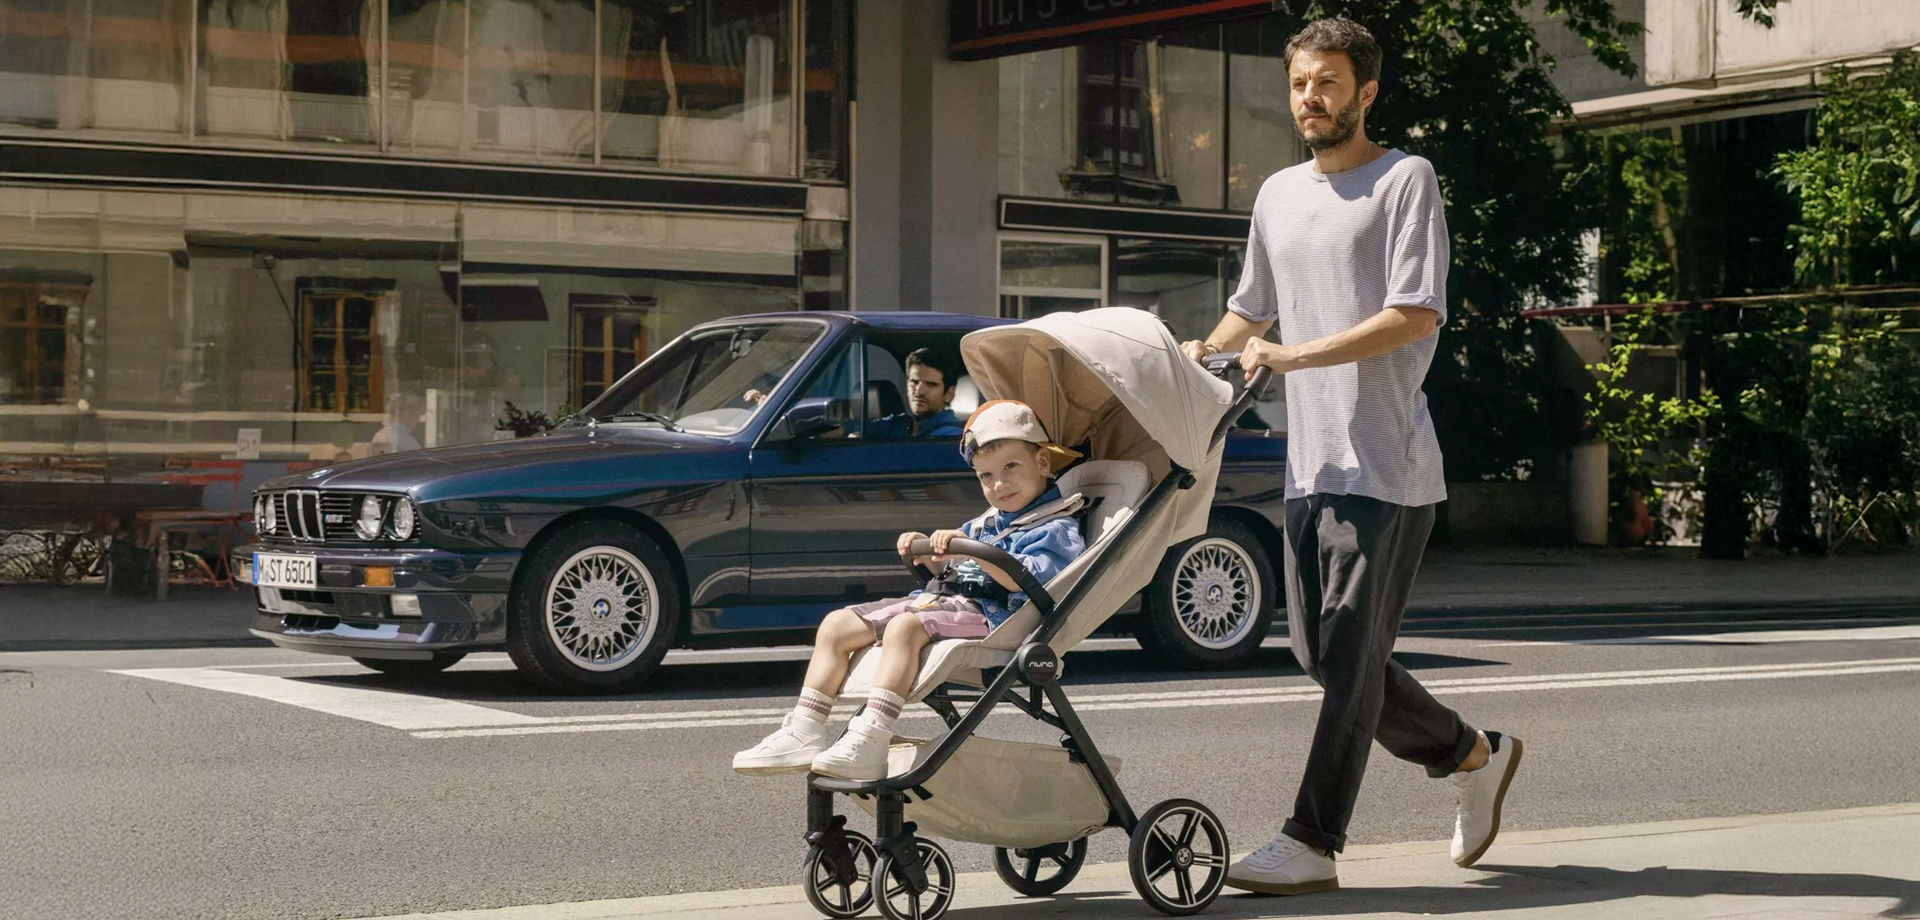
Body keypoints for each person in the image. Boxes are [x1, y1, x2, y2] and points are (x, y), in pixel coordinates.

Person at [1179, 17, 1523, 896]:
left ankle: (1313, 840)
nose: (1310, 99)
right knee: (1325, 656)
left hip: (1387, 466)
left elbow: (1415, 314)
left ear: (1365, 93)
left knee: (1348, 665)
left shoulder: (1405, 180)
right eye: (1299, 83)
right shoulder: (1277, 195)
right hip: (1310, 465)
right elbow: (1248, 312)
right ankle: (1472, 755)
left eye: (1328, 83)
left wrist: (1294, 356)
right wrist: (1199, 359)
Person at [732, 400, 1086, 781]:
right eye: (985, 476)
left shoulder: (1055, 527)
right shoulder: (990, 522)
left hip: (997, 618)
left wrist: (976, 552)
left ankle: (873, 735)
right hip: (950, 602)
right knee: (836, 625)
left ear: (1043, 463)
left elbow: (1031, 579)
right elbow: (955, 566)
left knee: (905, 627)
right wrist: (928, 553)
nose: (998, 485)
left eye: (1010, 468)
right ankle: (804, 728)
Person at [866, 348, 965, 439]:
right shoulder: (897, 425)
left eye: (931, 384)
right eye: (914, 382)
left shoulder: (952, 436)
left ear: (948, 394)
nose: (919, 391)